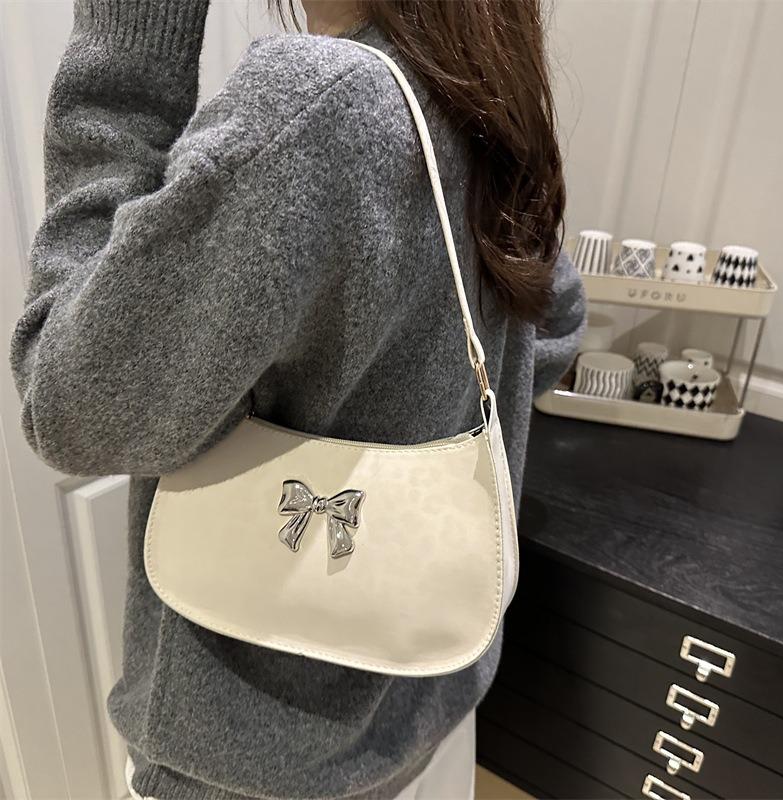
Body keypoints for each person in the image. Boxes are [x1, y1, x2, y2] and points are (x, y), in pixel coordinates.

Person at [8, 0, 586, 798]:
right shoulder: (478, 82)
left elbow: (69, 405)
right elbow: (555, 329)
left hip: (248, 767)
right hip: (425, 711)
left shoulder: (315, 106)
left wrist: (127, 53)